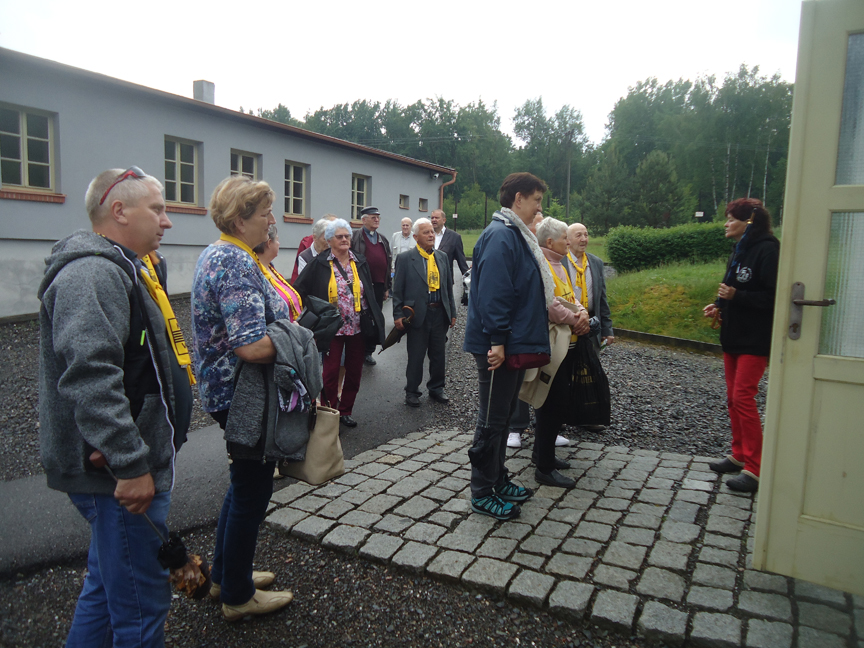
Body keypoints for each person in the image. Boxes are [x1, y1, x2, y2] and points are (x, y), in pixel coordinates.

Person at [38, 167, 193, 647]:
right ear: (119, 210)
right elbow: (91, 375)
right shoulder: (93, 273)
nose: (167, 221)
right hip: (117, 476)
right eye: (158, 209)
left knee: (107, 588)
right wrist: (129, 463)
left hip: (123, 468)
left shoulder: (126, 267)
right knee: (141, 608)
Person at [191, 175, 296, 621]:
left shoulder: (222, 252)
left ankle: (224, 575)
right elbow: (251, 346)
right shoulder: (234, 262)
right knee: (252, 491)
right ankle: (237, 595)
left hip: (231, 392)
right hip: (243, 394)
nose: (272, 221)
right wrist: (301, 341)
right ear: (240, 221)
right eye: (266, 214)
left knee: (242, 486)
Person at [463, 172, 553, 521]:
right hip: (496, 346)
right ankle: (482, 491)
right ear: (518, 198)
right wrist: (498, 341)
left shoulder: (515, 233)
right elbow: (494, 294)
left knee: (500, 418)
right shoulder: (501, 235)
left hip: (508, 343)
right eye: (536, 201)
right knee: (491, 420)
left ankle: (497, 478)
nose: (539, 208)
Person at [703, 198, 780, 493]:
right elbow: (732, 286)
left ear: (748, 222)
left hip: (755, 339)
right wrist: (719, 305)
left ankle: (755, 469)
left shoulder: (769, 250)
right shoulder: (739, 249)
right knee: (733, 399)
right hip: (733, 335)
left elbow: (773, 297)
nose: (726, 223)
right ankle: (739, 455)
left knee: (744, 398)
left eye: (731, 218)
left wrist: (737, 297)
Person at [295, 218, 385, 428]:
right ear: (329, 240)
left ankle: (346, 411)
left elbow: (368, 290)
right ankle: (330, 412)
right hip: (331, 329)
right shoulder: (319, 263)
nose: (345, 240)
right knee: (330, 373)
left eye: (347, 236)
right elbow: (299, 289)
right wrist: (315, 311)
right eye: (339, 237)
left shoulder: (359, 261)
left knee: (354, 372)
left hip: (357, 327)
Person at [530, 217, 592, 488]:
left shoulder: (560, 264)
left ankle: (542, 454)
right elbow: (550, 305)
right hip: (553, 345)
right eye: (565, 237)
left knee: (557, 402)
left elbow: (572, 297)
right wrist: (577, 319)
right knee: (551, 403)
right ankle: (543, 467)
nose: (569, 242)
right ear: (550, 241)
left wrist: (583, 313)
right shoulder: (542, 265)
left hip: (567, 343)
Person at [507, 210, 570, 451]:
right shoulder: (524, 252)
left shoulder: (555, 260)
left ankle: (545, 431)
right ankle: (516, 427)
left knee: (545, 380)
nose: (539, 228)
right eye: (536, 224)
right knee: (525, 378)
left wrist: (579, 314)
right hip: (527, 329)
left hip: (550, 333)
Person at [392, 218, 457, 407]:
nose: (431, 235)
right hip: (417, 314)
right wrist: (398, 315)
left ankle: (437, 388)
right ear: (415, 237)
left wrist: (452, 312)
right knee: (416, 356)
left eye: (432, 232)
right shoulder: (406, 258)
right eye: (426, 232)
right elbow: (398, 290)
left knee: (438, 354)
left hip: (439, 313)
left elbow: (448, 288)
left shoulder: (442, 257)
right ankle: (412, 391)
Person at [565, 222, 614, 432]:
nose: (584, 239)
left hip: (591, 325)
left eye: (586, 234)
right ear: (567, 240)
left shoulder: (595, 262)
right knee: (563, 372)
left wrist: (607, 329)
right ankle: (560, 417)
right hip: (566, 324)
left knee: (589, 372)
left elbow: (602, 299)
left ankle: (588, 417)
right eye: (578, 235)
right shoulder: (559, 261)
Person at [351, 206, 391, 365]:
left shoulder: (383, 239)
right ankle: (357, 350)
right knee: (361, 318)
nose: (376, 219)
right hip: (361, 285)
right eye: (373, 217)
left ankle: (369, 351)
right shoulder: (355, 237)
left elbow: (388, 263)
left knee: (375, 318)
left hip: (379, 285)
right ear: (364, 220)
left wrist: (387, 287)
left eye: (378, 217)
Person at [253, 224, 303, 318]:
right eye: (277, 240)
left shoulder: (271, 268)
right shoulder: (256, 273)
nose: (279, 243)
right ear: (269, 243)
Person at [430, 209, 470, 284]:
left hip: (445, 281)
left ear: (444, 220)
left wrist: (468, 278)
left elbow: (461, 261)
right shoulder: (427, 235)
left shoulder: (454, 237)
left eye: (437, 218)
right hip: (428, 280)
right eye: (432, 218)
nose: (434, 220)